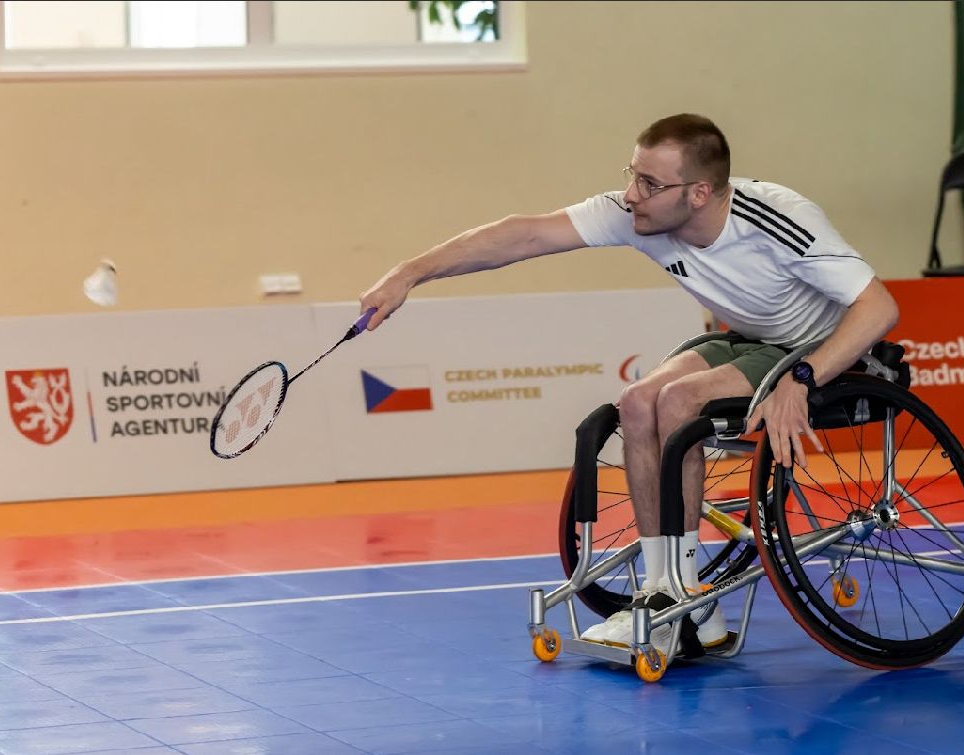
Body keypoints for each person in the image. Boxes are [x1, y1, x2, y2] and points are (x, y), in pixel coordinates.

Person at [359, 113, 900, 654]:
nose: (632, 195)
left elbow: (878, 308)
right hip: (750, 341)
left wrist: (802, 379)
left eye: (650, 184)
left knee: (681, 399)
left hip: (821, 351)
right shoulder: (639, 214)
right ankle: (668, 592)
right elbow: (526, 233)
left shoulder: (776, 219)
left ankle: (683, 595)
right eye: (632, 175)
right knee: (638, 402)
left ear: (698, 193)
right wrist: (409, 273)